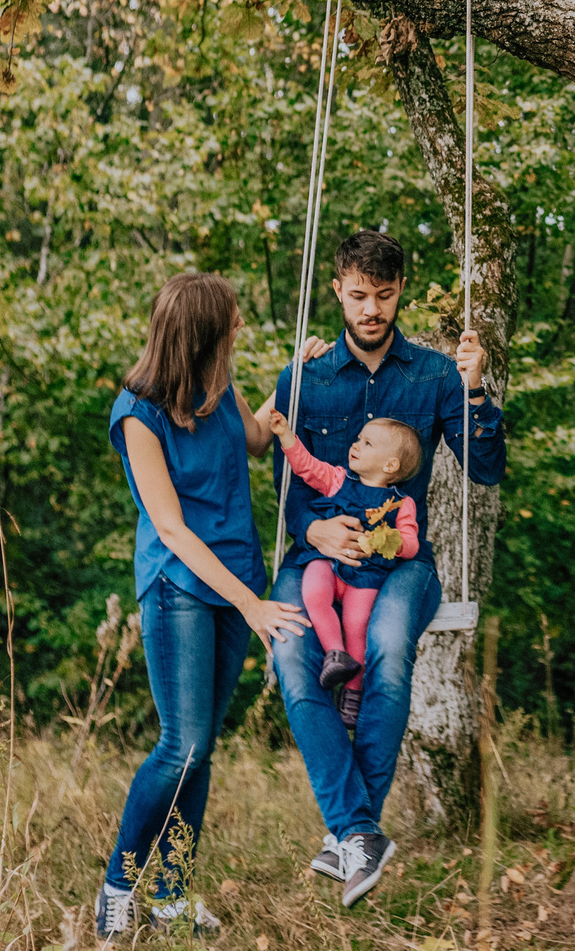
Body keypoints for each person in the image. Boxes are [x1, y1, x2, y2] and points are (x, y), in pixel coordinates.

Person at [266, 229, 503, 906]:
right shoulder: (303, 376)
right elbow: (288, 494)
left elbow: (484, 470)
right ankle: (358, 831)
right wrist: (313, 526)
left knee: (389, 648)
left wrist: (475, 389)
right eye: (361, 295)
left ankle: (349, 834)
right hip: (317, 557)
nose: (372, 310)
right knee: (292, 655)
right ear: (338, 289)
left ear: (400, 293)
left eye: (386, 296)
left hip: (402, 566)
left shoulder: (432, 374)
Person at [96, 271, 319, 938]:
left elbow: (254, 439)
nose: (239, 328)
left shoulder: (217, 388)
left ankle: (169, 895)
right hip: (181, 589)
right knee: (182, 744)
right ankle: (117, 887)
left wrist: (293, 375)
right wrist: (251, 604)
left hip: (235, 581)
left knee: (203, 748)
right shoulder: (137, 413)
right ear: (201, 334)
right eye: (231, 321)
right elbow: (170, 529)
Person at [256, 407, 423, 718]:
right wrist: (285, 436)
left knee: (358, 624)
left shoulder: (401, 504)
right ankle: (336, 654)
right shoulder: (338, 479)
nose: (355, 445)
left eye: (367, 443)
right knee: (313, 590)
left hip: (365, 574)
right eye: (358, 439)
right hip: (329, 562)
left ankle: (353, 690)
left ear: (391, 464)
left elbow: (411, 543)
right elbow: (307, 468)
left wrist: (387, 541)